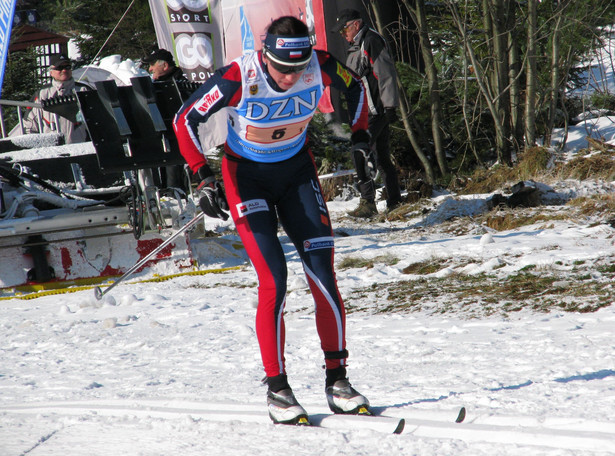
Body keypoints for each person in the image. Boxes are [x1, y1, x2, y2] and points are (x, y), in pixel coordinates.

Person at [173, 16, 371, 425]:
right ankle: (278, 389)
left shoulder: (321, 63)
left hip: (297, 173)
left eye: (296, 70)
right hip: (246, 178)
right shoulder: (237, 74)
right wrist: (201, 176)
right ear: (266, 56)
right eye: (281, 69)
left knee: (323, 276)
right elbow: (184, 119)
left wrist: (361, 134)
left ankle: (338, 380)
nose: (288, 77)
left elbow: (360, 88)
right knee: (274, 279)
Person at [332, 8, 403, 217]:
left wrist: (390, 107)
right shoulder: (356, 44)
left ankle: (368, 203)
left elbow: (386, 74)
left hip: (374, 111)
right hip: (366, 111)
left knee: (359, 152)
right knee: (381, 157)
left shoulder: (370, 41)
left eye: (344, 29)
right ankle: (395, 201)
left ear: (356, 24)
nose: (343, 34)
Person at [16, 54, 89, 144]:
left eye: (67, 67)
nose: (64, 70)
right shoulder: (42, 93)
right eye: (59, 68)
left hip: (80, 148)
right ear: (51, 72)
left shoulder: (83, 90)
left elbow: (98, 122)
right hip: (52, 151)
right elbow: (29, 124)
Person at [142, 48, 187, 190]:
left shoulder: (181, 85)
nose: (150, 69)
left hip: (177, 142)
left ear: (165, 66)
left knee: (175, 183)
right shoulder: (153, 86)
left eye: (152, 65)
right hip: (158, 142)